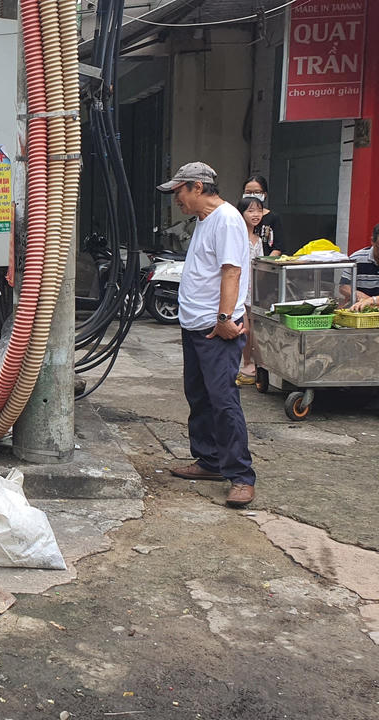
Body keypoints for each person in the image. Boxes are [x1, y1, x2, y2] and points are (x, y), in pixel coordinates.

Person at [157, 162, 257, 508]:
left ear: (197, 187)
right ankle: (209, 461)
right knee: (199, 396)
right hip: (196, 325)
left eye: (179, 191)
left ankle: (241, 476)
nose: (176, 199)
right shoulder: (203, 220)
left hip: (216, 328)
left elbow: (231, 271)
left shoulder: (227, 219)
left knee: (223, 401)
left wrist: (225, 318)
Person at [236, 196, 265, 385]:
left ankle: (251, 364)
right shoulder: (238, 237)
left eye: (259, 210)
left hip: (254, 290)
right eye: (251, 211)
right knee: (244, 328)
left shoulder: (258, 239)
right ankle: (245, 363)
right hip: (239, 288)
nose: (255, 215)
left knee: (254, 328)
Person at [242, 175, 282, 256]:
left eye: (257, 192)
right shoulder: (237, 216)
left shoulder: (273, 217)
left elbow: (278, 247)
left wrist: (264, 263)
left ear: (265, 194)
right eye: (248, 192)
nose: (252, 195)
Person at [342, 223, 379, 311]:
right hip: (360, 310)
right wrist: (364, 299)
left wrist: (372, 300)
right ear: (372, 242)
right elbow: (344, 286)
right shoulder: (356, 258)